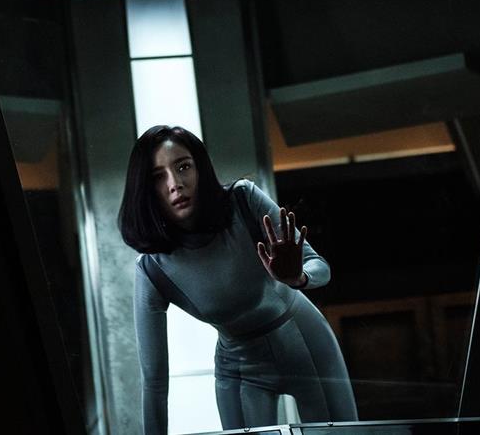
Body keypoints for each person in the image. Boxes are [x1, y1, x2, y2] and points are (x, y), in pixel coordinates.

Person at [120, 125, 358, 434]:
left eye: (183, 167)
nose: (175, 184)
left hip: (306, 344)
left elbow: (320, 268)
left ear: (200, 168)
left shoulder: (244, 199)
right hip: (241, 369)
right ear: (144, 189)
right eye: (157, 176)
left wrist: (298, 277)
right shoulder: (151, 269)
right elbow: (154, 382)